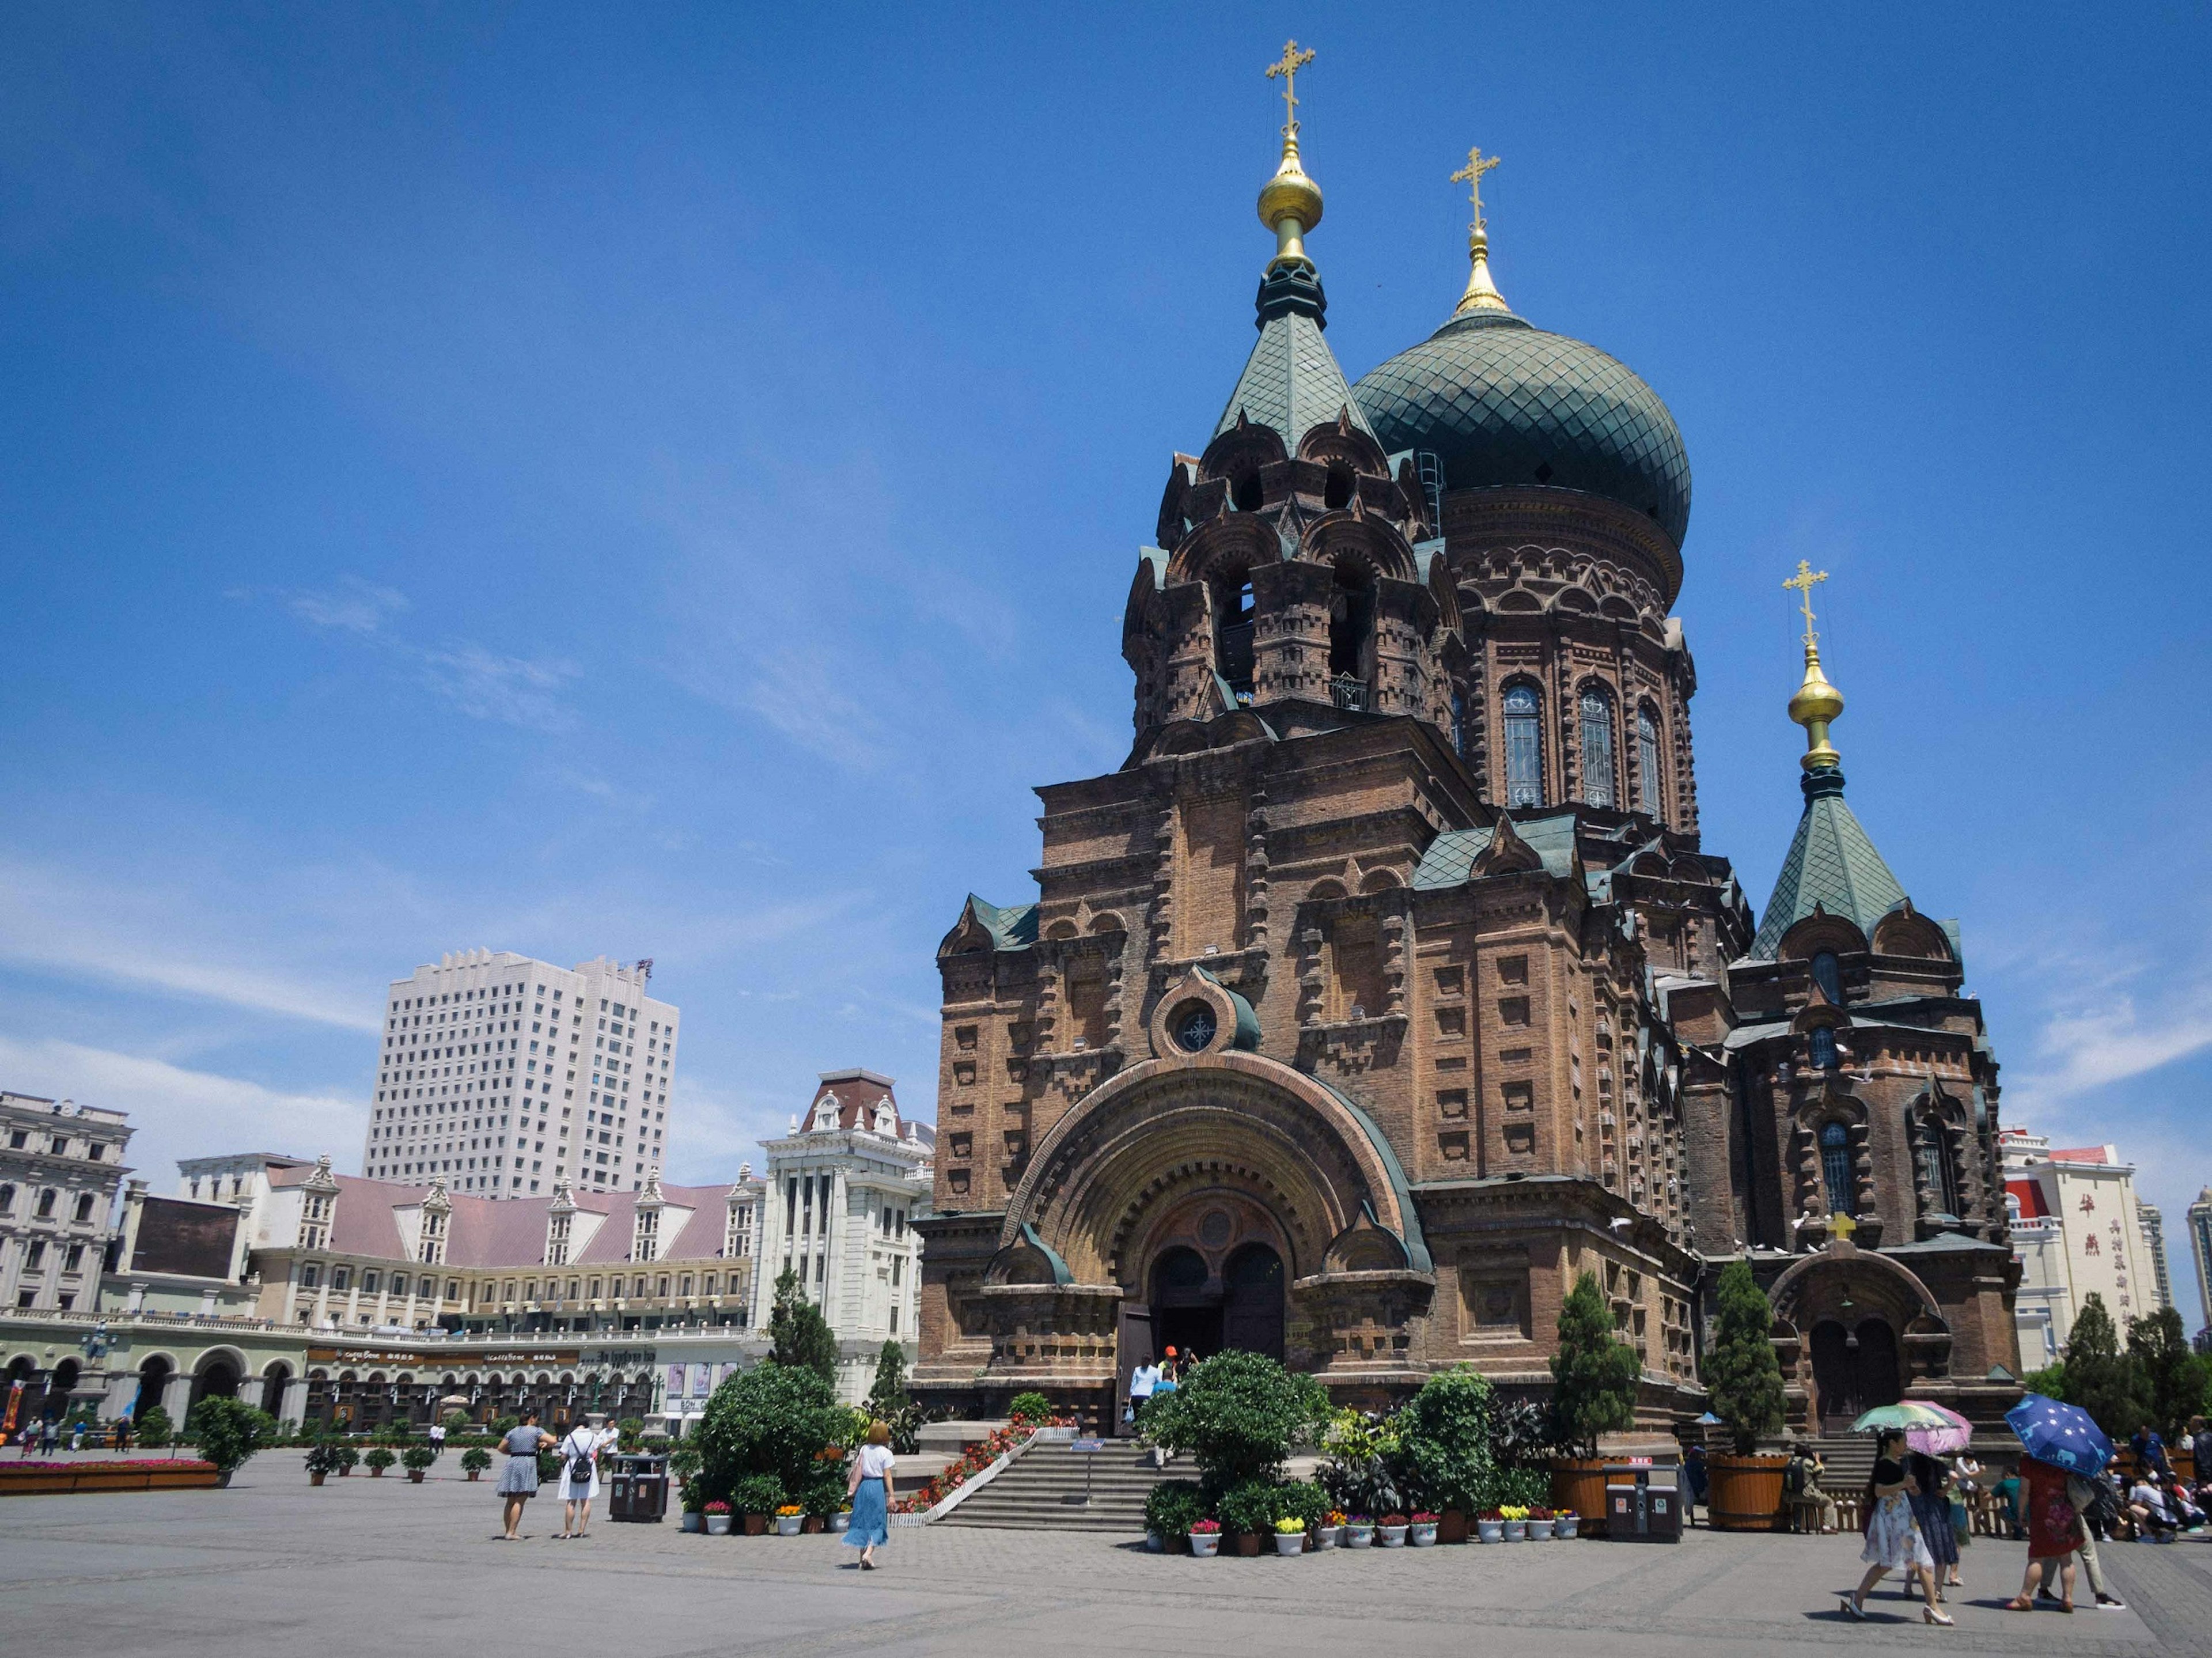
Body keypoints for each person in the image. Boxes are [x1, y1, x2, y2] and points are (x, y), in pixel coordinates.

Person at [1844, 1430, 1948, 1624]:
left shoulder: (1900, 1463)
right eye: (1904, 1440)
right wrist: (1903, 1484)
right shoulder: (1884, 1463)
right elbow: (1879, 1491)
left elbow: (1904, 1489)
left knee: (1920, 1560)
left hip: (1904, 1517)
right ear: (1893, 1443)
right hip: (1892, 1518)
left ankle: (1932, 1606)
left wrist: (1912, 1487)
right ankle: (1858, 1599)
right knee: (1890, 1563)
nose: (1907, 1444)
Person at [2037, 1470, 2125, 1611]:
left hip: (2053, 1511)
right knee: (2088, 1552)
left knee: (2056, 1551)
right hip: (2071, 1512)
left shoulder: (2047, 1465)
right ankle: (2100, 1594)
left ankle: (2044, 1589)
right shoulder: (2071, 1467)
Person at [2005, 1455, 2081, 1612]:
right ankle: (2068, 1598)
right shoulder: (2064, 1456)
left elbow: (2025, 1490)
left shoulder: (2029, 1460)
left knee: (2036, 1557)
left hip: (2042, 1511)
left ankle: (2025, 1597)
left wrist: (2020, 1512)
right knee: (2066, 1558)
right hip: (2064, 1508)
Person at [494, 1410, 555, 1542]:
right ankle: (512, 1532)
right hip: (527, 1462)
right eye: (537, 1418)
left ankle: (507, 1531)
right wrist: (541, 1444)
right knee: (520, 1499)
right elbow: (553, 1441)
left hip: (513, 1462)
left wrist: (515, 1452)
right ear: (532, 1419)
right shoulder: (536, 1431)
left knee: (510, 1499)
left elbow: (501, 1448)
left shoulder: (513, 1431)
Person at [843, 1418, 895, 1570]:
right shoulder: (886, 1453)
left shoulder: (864, 1450)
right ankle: (869, 1554)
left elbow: (858, 1469)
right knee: (879, 1523)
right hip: (877, 1487)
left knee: (863, 1522)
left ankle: (861, 1560)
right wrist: (891, 1495)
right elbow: (887, 1476)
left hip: (864, 1487)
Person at [1907, 1451, 1961, 1592]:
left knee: (1917, 1549)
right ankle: (1937, 1591)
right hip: (1935, 1509)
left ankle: (1908, 1587)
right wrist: (1945, 1490)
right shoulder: (1936, 1463)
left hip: (1915, 1509)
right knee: (1939, 1551)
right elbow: (1954, 1476)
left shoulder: (1908, 1462)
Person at [554, 1413, 611, 1540]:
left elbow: (563, 1454)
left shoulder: (570, 1437)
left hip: (573, 1466)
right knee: (585, 1500)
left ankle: (568, 1531)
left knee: (571, 1501)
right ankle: (581, 1530)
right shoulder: (593, 1436)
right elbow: (601, 1446)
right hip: (588, 1467)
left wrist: (562, 1460)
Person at [1785, 1442, 1836, 1533]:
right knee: (1829, 1502)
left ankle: (1797, 1527)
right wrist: (1817, 1461)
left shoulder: (1790, 1461)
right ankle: (1827, 1527)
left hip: (1792, 1495)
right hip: (1808, 1493)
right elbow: (1821, 1472)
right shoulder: (1807, 1462)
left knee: (1798, 1504)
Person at [1126, 1357, 1160, 1430]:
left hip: (1137, 1395)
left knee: (1137, 1415)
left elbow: (1133, 1384)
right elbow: (1159, 1382)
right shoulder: (1155, 1371)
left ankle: (1139, 1431)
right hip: (1148, 1395)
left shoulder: (1137, 1370)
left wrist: (1131, 1396)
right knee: (1148, 1415)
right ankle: (1146, 1431)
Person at [1683, 1443, 1710, 1527]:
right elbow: (1703, 1480)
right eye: (1700, 1454)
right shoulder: (1698, 1465)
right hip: (1699, 1492)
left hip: (1692, 1492)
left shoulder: (1687, 1464)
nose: (1701, 1456)